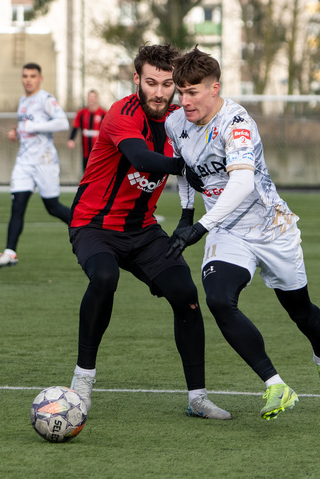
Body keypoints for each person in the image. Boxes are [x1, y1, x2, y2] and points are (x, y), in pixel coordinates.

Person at [164, 47, 320, 421]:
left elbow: (242, 181)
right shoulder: (175, 123)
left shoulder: (237, 122)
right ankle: (275, 384)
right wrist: (186, 212)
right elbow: (184, 169)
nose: (185, 100)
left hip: (271, 228)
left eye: (192, 91)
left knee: (301, 312)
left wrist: (199, 227)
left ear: (215, 88)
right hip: (227, 232)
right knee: (218, 300)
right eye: (180, 92)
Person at [67, 43, 229, 420]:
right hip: (94, 226)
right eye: (151, 82)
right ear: (137, 79)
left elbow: (195, 156)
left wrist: (189, 213)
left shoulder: (179, 119)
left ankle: (197, 397)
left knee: (186, 293)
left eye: (167, 84)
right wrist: (181, 167)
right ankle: (82, 381)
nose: (159, 92)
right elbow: (141, 158)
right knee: (104, 276)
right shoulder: (120, 114)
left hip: (142, 230)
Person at [0, 62, 72, 268]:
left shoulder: (45, 99)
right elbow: (26, 127)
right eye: (25, 76)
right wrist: (15, 132)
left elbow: (63, 122)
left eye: (33, 76)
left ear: (40, 79)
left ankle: (89, 227)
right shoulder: (22, 101)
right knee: (17, 205)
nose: (28, 79)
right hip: (24, 162)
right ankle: (10, 253)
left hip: (45, 162)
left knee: (52, 207)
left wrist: (34, 126)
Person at [67, 89, 107, 174]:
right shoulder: (81, 113)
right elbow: (75, 127)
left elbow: (109, 129)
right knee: (86, 170)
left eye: (93, 97)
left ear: (97, 99)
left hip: (99, 150)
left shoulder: (103, 113)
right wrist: (71, 139)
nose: (91, 99)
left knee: (98, 171)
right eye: (90, 97)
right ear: (87, 99)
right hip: (85, 149)